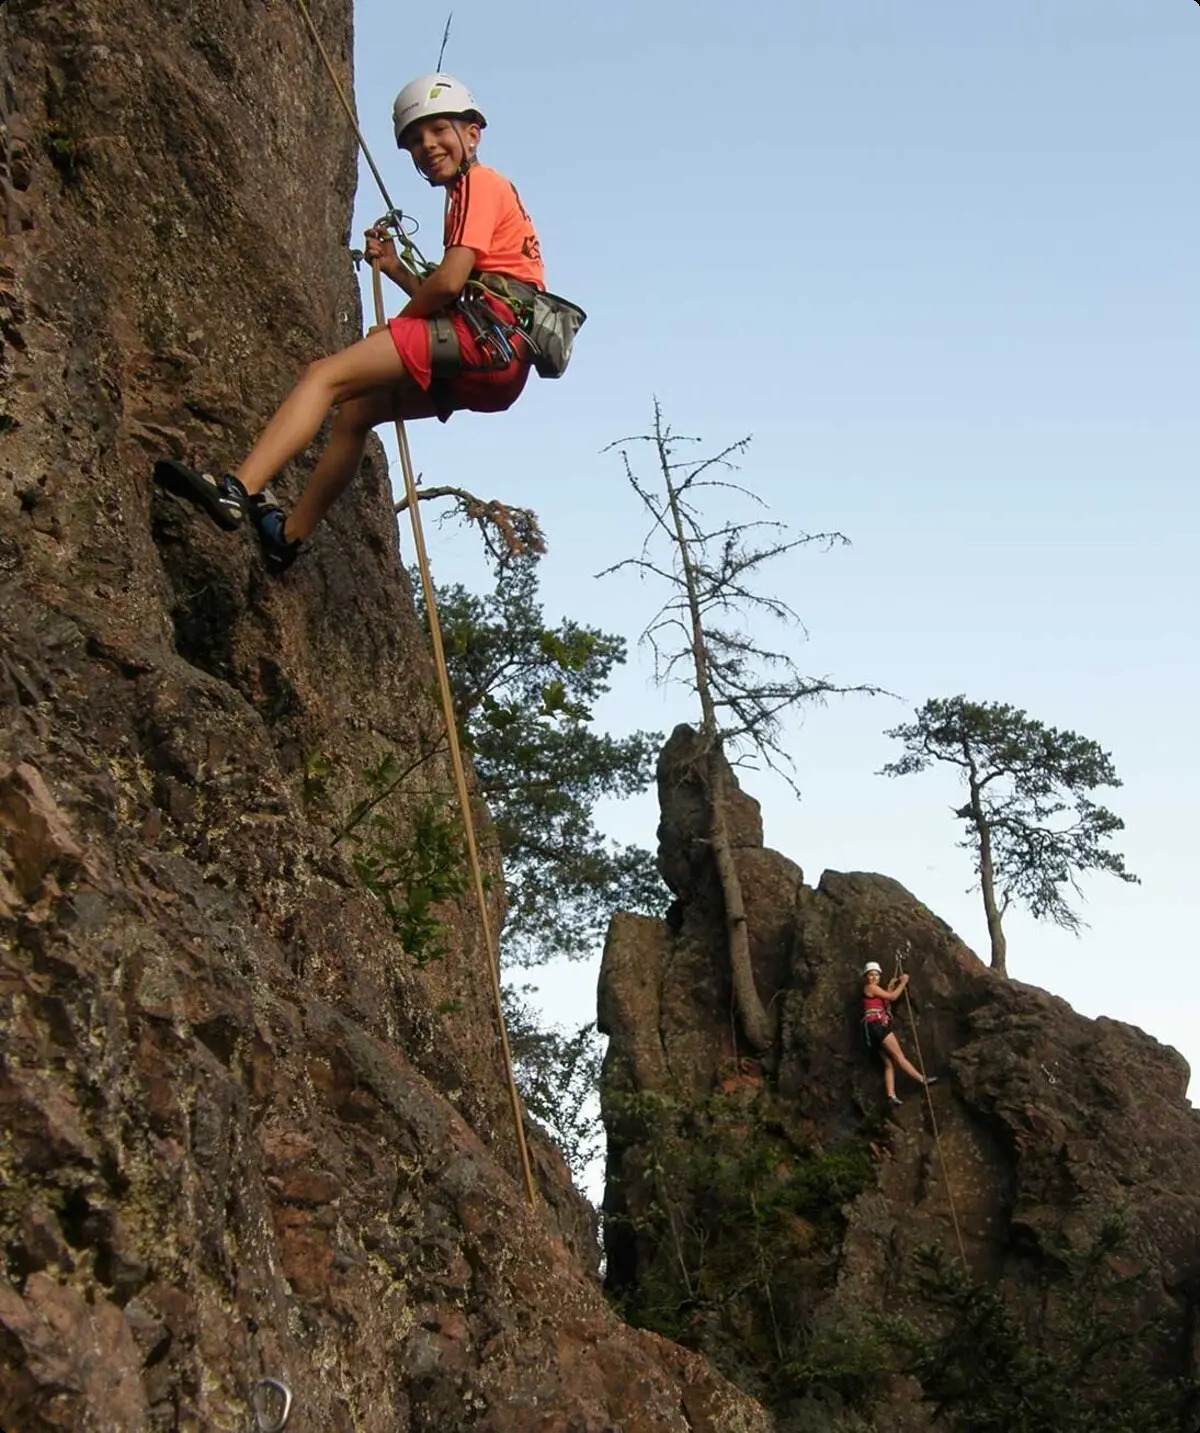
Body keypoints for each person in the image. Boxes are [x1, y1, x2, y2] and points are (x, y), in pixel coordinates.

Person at [153, 73, 545, 573]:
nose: (427, 147)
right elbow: (461, 291)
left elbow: (448, 286)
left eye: (439, 131)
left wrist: (397, 326)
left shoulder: (479, 184)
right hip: (499, 362)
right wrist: (397, 269)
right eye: (415, 143)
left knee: (323, 376)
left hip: (484, 341)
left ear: (472, 133)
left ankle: (236, 489)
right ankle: (287, 537)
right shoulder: (472, 196)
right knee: (356, 412)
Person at [860, 961, 938, 1108]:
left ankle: (891, 1096)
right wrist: (903, 982)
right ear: (867, 977)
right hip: (878, 1026)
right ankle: (922, 1079)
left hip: (872, 1030)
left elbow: (885, 1002)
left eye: (876, 975)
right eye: (871, 975)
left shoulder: (872, 990)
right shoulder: (870, 987)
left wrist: (889, 988)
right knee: (899, 1056)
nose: (874, 977)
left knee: (889, 1064)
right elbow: (893, 997)